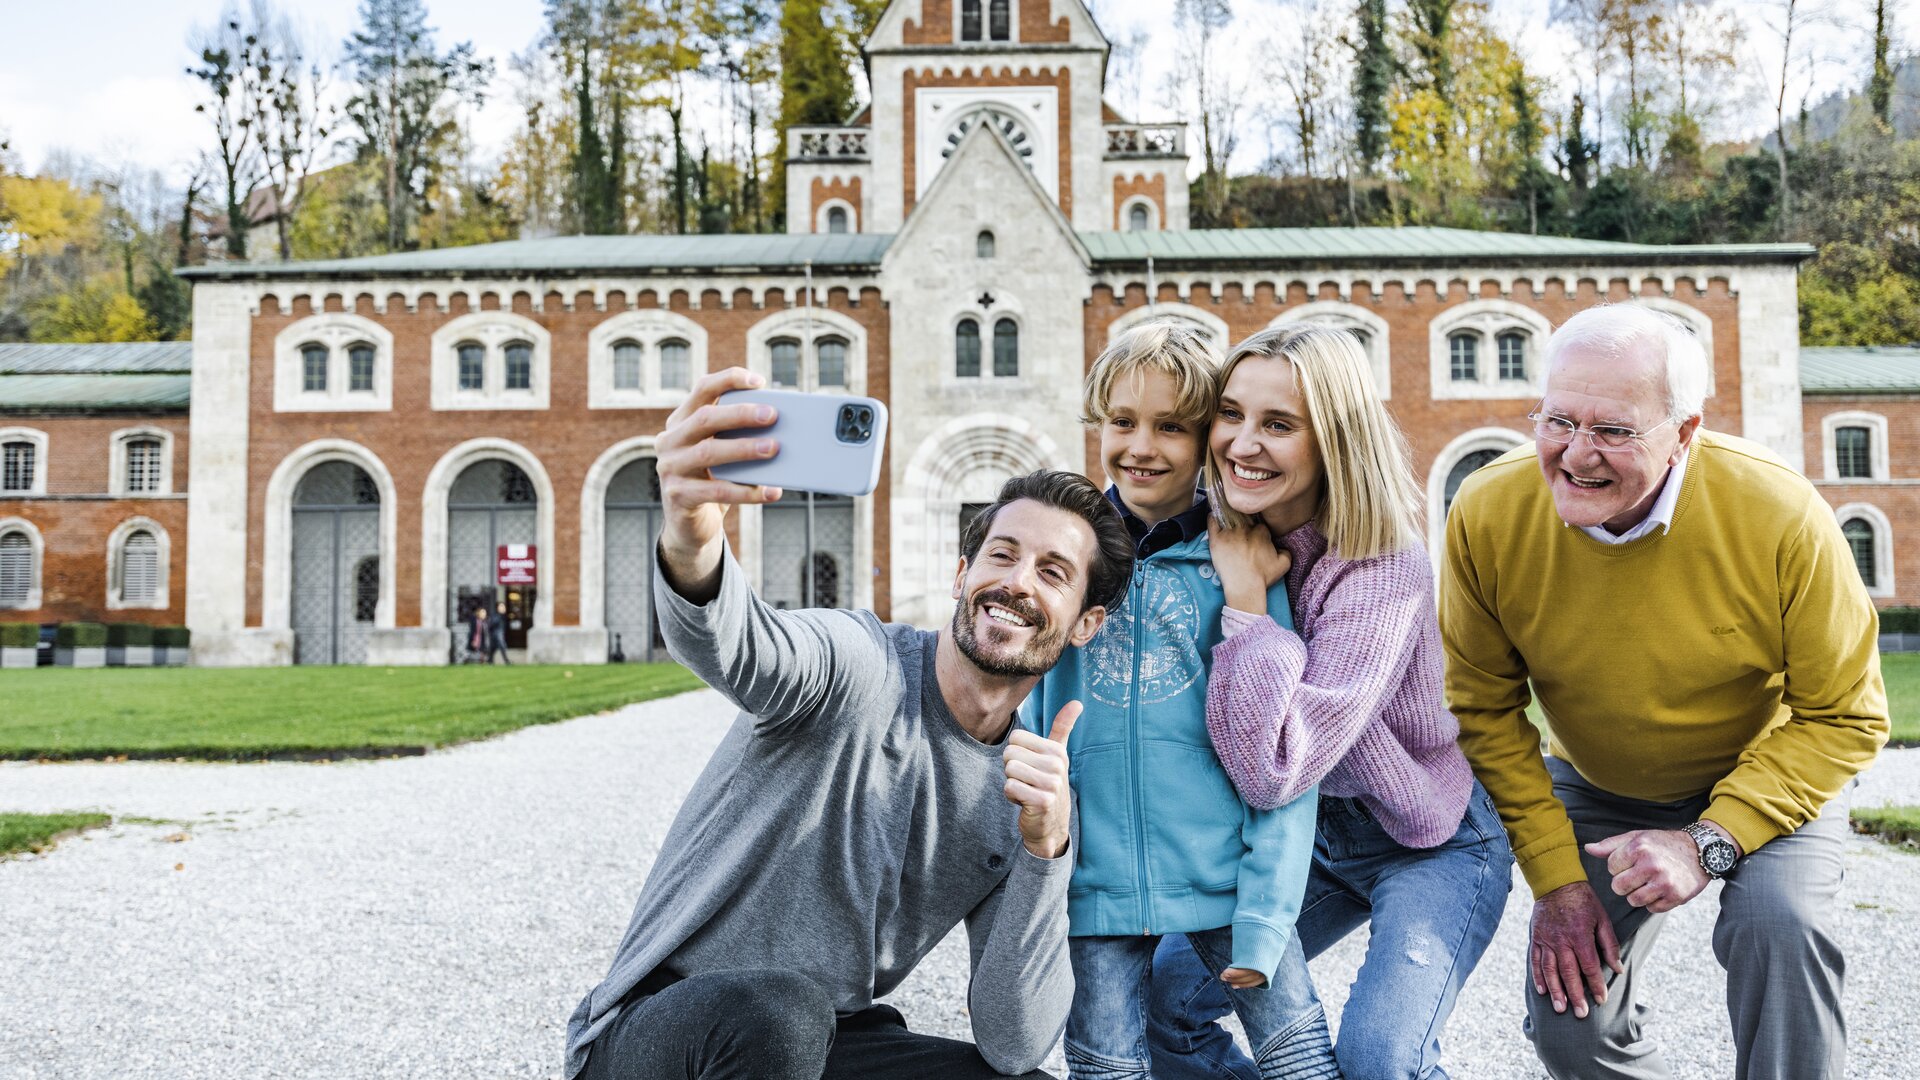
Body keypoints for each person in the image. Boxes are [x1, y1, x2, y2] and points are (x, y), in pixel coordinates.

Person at [565, 367, 1137, 1080]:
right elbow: (744, 647)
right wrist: (690, 540)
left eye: (1053, 572)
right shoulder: (860, 662)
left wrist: (1046, 849)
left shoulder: (1025, 795)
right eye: (1003, 554)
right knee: (781, 1016)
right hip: (663, 1033)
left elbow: (1015, 1041)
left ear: (1086, 623)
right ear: (962, 574)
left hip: (827, 1041)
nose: (1018, 581)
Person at [1440, 303, 1888, 1080]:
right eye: (1557, 421)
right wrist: (1555, 877)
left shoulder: (1779, 513)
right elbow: (1481, 708)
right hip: (1598, 782)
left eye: (1613, 430)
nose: (1577, 455)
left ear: (1684, 432)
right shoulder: (1487, 511)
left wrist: (1707, 842)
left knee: (1781, 924)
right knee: (1570, 1022)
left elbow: (1846, 714)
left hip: (1764, 772)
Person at [1145, 325, 1513, 1080]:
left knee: (1381, 1061)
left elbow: (1277, 763)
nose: (1242, 444)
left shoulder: (1380, 564)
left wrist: (1247, 603)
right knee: (1167, 1001)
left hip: (1430, 833)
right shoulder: (1217, 534)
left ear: (1334, 441)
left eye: (1278, 425)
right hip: (1307, 835)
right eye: (1231, 414)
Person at [1019, 321, 1322, 1080]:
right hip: (1096, 893)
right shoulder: (1070, 563)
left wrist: (1263, 916)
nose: (1141, 446)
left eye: (1171, 427)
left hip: (1230, 884)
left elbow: (1284, 756)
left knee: (1303, 1064)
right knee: (1107, 1071)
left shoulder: (1244, 565)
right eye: (1122, 422)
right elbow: (1024, 719)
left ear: (1208, 441)